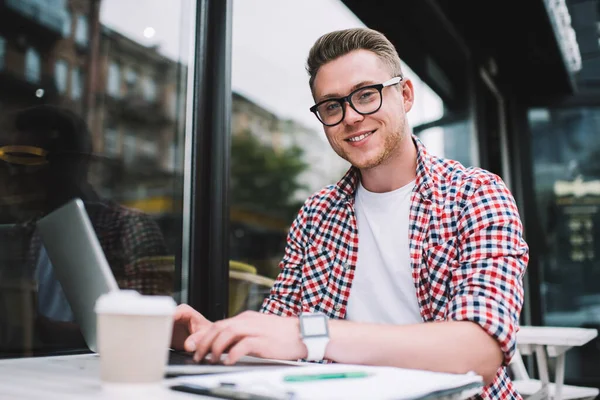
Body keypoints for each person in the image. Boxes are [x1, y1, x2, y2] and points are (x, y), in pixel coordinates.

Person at [171, 28, 528, 399]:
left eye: (366, 95)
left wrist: (310, 336)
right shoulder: (317, 215)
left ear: (405, 95)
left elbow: (480, 351)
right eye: (332, 105)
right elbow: (278, 334)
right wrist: (215, 337)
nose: (351, 117)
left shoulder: (475, 195)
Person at [0, 105, 173, 353]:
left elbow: (146, 332)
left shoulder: (128, 228)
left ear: (71, 164)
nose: (14, 173)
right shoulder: (29, 232)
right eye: (8, 161)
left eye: (26, 159)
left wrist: (40, 330)